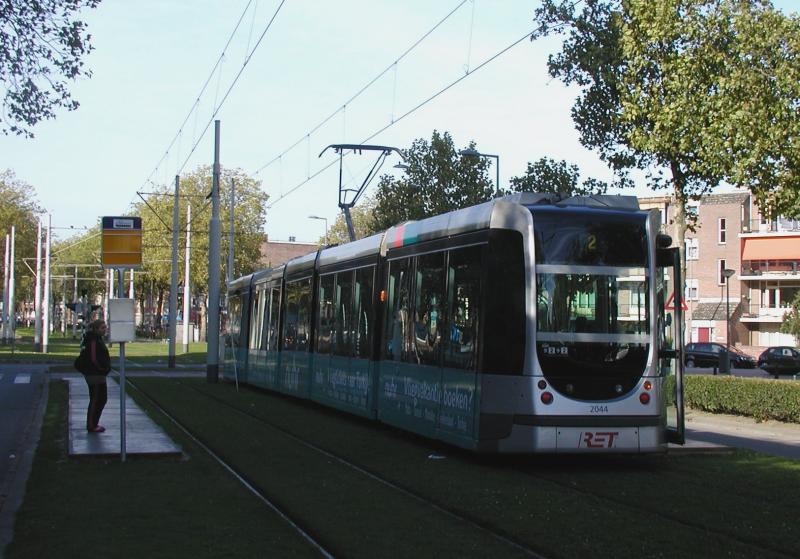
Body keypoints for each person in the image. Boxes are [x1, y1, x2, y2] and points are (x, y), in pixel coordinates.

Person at [80, 319, 111, 433]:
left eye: (105, 327)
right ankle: (91, 425)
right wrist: (102, 369)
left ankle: (94, 423)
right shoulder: (93, 340)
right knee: (96, 399)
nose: (104, 330)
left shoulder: (97, 339)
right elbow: (93, 358)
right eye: (102, 328)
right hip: (95, 374)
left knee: (101, 399)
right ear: (96, 329)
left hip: (98, 374)